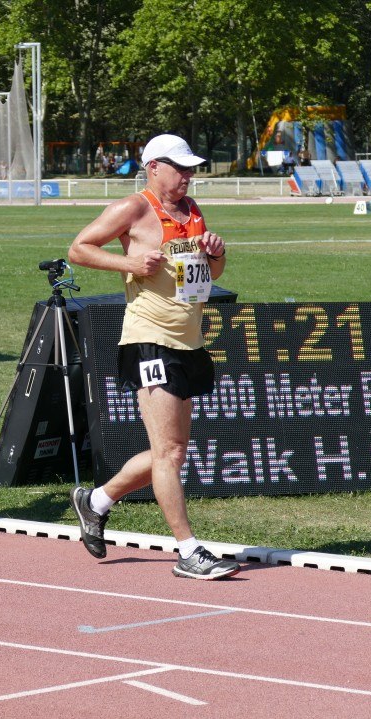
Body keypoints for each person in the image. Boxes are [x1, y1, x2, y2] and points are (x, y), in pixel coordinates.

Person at [66, 134, 240, 581]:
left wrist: (216, 255)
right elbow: (79, 248)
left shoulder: (193, 210)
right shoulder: (134, 208)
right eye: (179, 168)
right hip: (148, 337)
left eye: (191, 168)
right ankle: (188, 550)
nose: (188, 176)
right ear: (153, 168)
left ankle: (96, 501)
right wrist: (128, 264)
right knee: (167, 451)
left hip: (188, 339)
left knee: (174, 452)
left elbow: (207, 274)